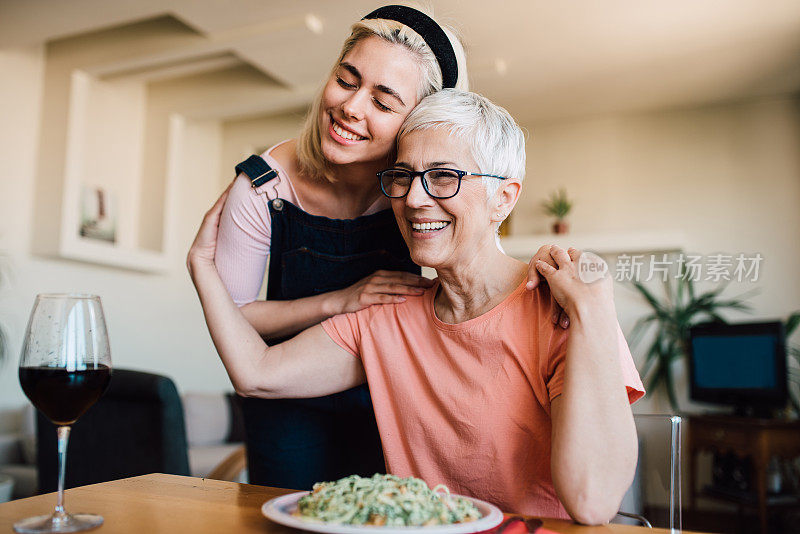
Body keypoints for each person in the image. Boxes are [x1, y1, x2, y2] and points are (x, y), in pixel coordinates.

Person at [189, 89, 644, 524]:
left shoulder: (564, 312)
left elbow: (592, 500)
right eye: (403, 176)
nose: (414, 198)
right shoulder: (389, 315)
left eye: (444, 177)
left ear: (503, 198)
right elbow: (256, 374)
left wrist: (596, 307)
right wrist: (202, 268)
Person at [213, 5, 564, 489]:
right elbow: (236, 321)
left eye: (383, 101)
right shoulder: (263, 186)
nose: (352, 108)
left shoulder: (417, 191)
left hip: (387, 387)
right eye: (347, 79)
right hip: (290, 389)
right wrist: (340, 301)